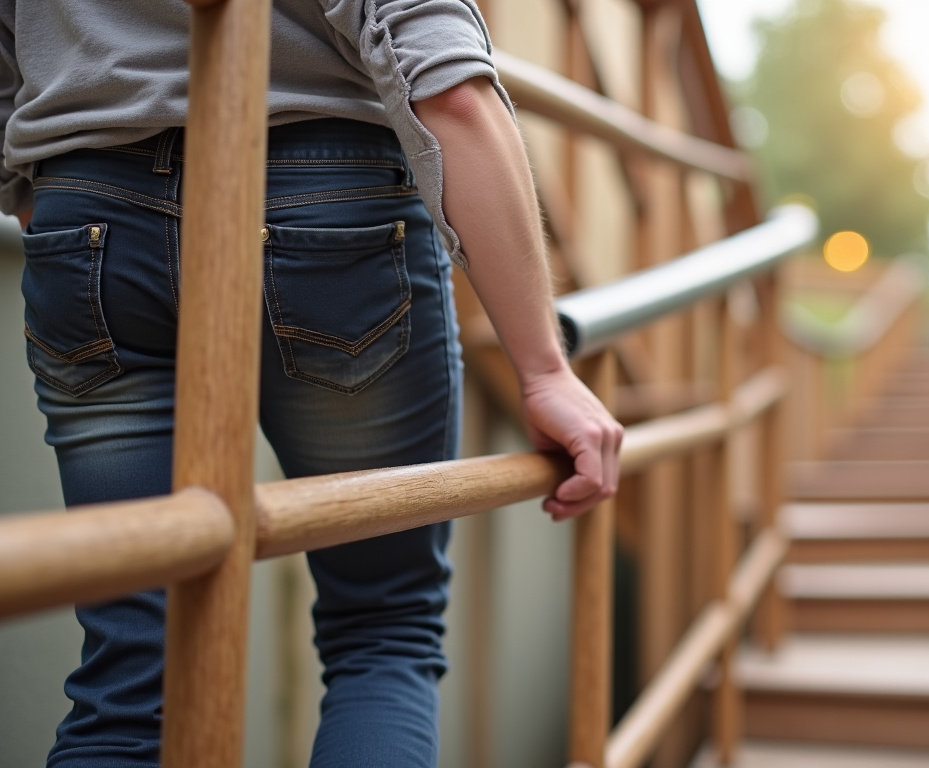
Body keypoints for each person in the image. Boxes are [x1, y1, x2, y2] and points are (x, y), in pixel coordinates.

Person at [1, 0, 623, 765]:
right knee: (382, 631)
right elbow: (447, 79)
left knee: (131, 680)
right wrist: (544, 367)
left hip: (87, 215)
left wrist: (40, 192)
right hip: (329, 205)